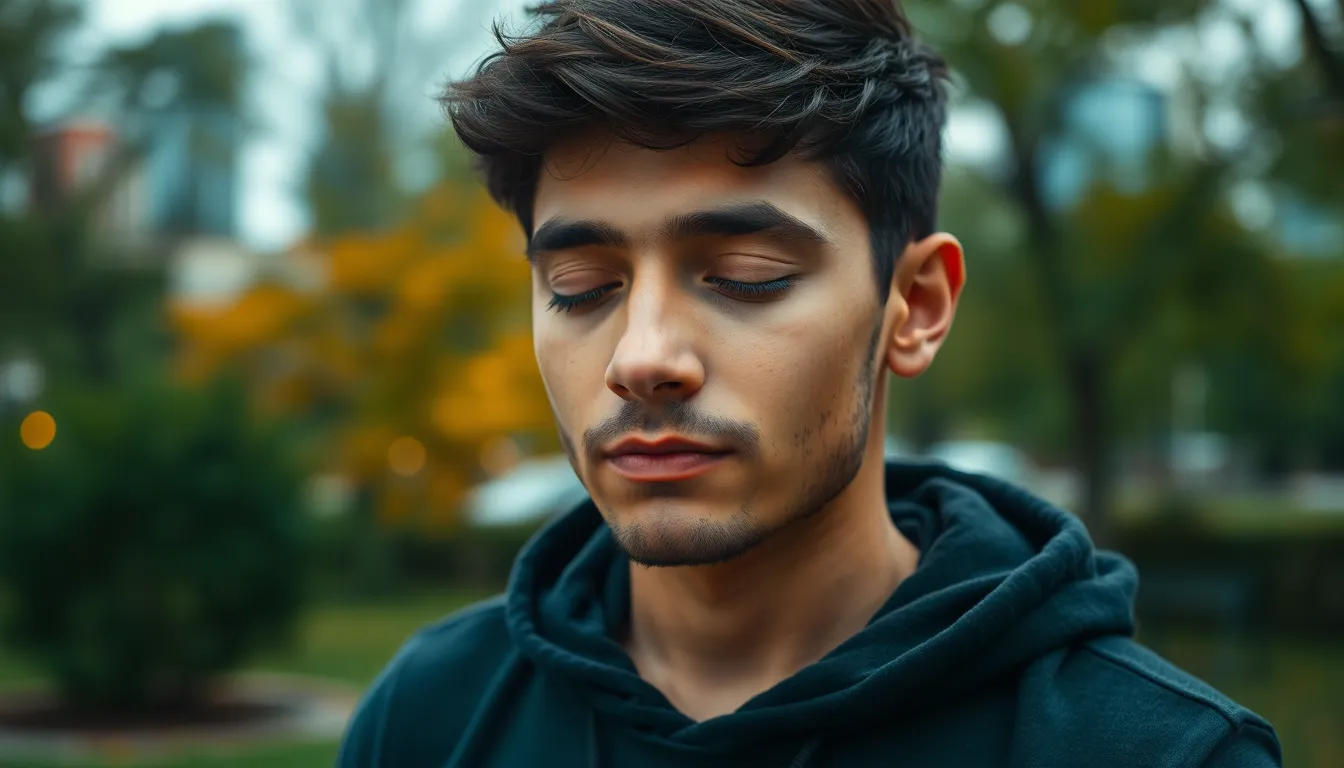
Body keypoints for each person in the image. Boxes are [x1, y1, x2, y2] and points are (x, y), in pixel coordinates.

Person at [338, 1, 1281, 765]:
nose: (642, 357)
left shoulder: (1155, 753)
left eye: (745, 275)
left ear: (913, 307)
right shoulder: (429, 717)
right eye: (583, 289)